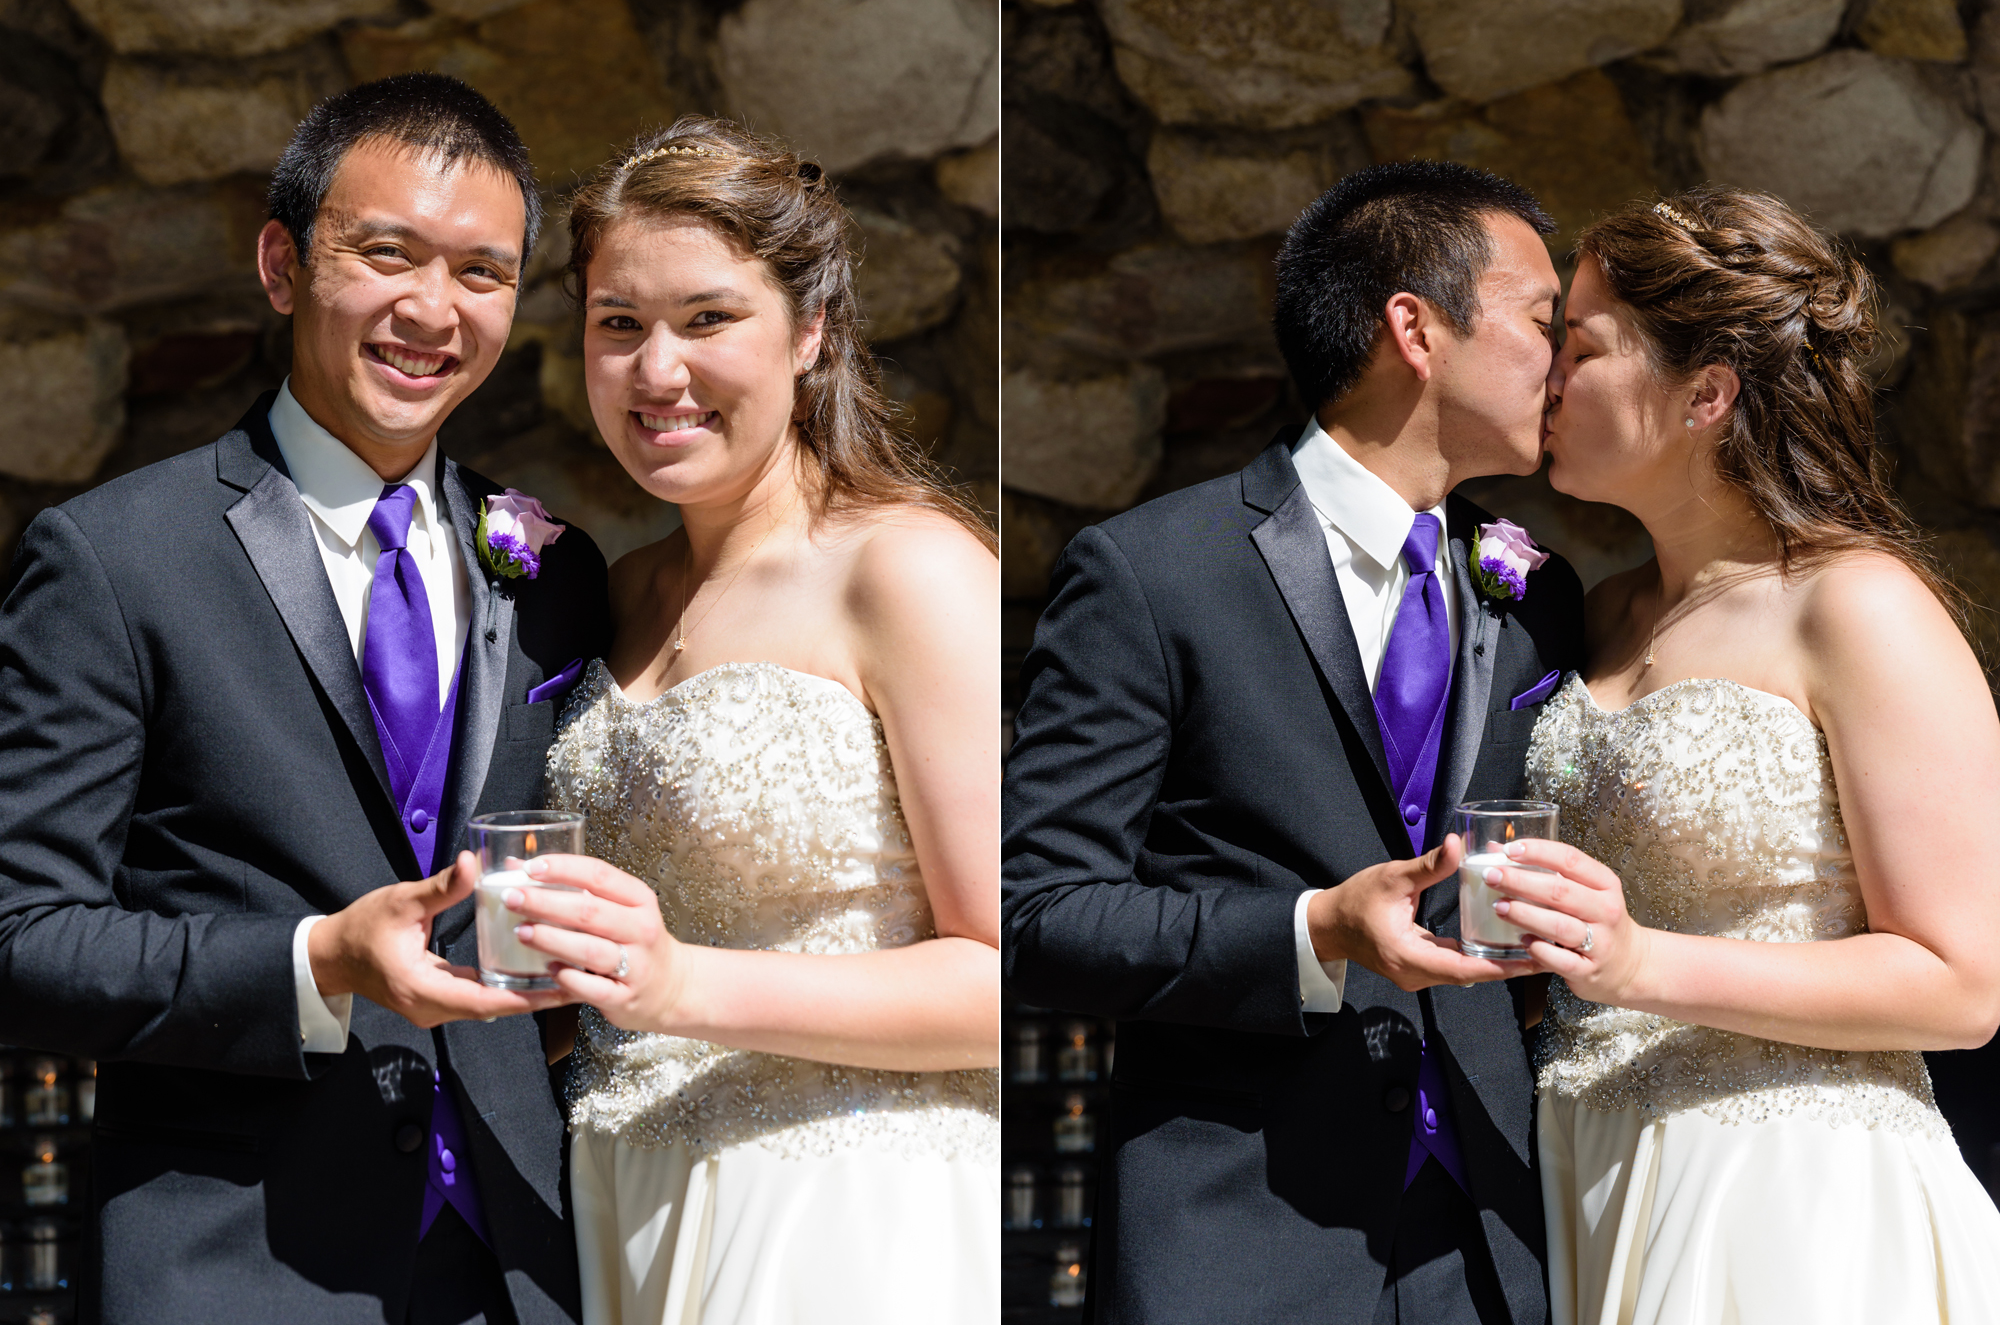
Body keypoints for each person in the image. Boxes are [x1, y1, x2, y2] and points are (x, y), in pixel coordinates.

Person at [0, 73, 609, 1324]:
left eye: (482, 273)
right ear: (282, 263)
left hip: (524, 1257)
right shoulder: (113, 558)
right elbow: (22, 937)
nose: (432, 309)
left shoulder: (553, 567)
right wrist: (315, 960)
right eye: (386, 253)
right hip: (236, 1260)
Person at [1003, 161, 1585, 1324]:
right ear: (1413, 328)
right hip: (1240, 1233)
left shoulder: (1537, 593)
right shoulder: (1150, 572)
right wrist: (1312, 929)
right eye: (1539, 319)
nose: (1560, 361)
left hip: (1497, 1242)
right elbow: (1038, 913)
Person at [489, 117, 1000, 1324]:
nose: (657, 370)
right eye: (619, 325)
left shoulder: (905, 568)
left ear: (809, 330)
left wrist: (677, 983)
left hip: (840, 1206)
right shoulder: (619, 590)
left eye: (707, 318)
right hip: (622, 1189)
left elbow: (995, 972)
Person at [1500, 186, 2000, 1322]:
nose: (1546, 378)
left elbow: (1959, 981)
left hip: (1783, 1190)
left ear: (1705, 394)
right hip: (1584, 1163)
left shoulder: (1857, 606)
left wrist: (1636, 965)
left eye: (1574, 346)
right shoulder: (1600, 610)